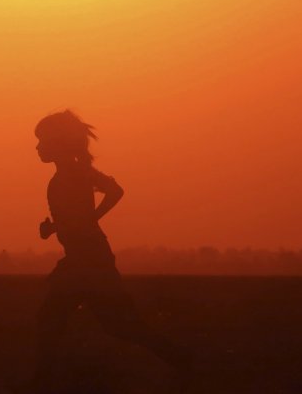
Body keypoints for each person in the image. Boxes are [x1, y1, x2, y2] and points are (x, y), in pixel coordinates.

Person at [32, 111, 189, 388]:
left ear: (58, 143)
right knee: (115, 326)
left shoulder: (75, 173)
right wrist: (55, 228)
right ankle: (183, 360)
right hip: (84, 261)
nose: (38, 147)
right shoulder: (64, 177)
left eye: (42, 141)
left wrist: (92, 218)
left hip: (89, 263)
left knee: (61, 322)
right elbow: (78, 215)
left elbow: (114, 191)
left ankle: (42, 383)